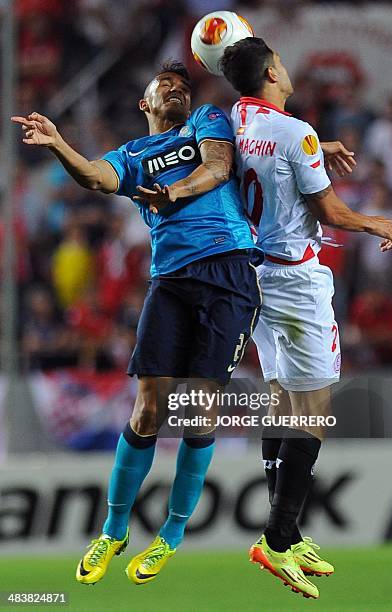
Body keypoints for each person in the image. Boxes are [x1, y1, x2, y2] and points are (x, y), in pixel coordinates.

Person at [12, 60, 263, 585]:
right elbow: (97, 177)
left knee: (198, 411)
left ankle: (171, 532)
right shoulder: (133, 155)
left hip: (229, 270)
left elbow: (218, 168)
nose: (175, 91)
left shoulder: (205, 124)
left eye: (181, 87)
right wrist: (59, 143)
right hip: (169, 280)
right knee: (148, 407)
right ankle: (114, 528)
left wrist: (171, 194)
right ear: (144, 104)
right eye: (164, 86)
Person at [220, 38, 392, 600]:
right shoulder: (293, 131)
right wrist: (376, 222)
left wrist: (318, 146)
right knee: (316, 410)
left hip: (256, 275)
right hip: (298, 282)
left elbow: (262, 152)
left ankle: (288, 532)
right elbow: (330, 211)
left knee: (281, 399)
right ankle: (276, 538)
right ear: (273, 70)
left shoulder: (237, 117)